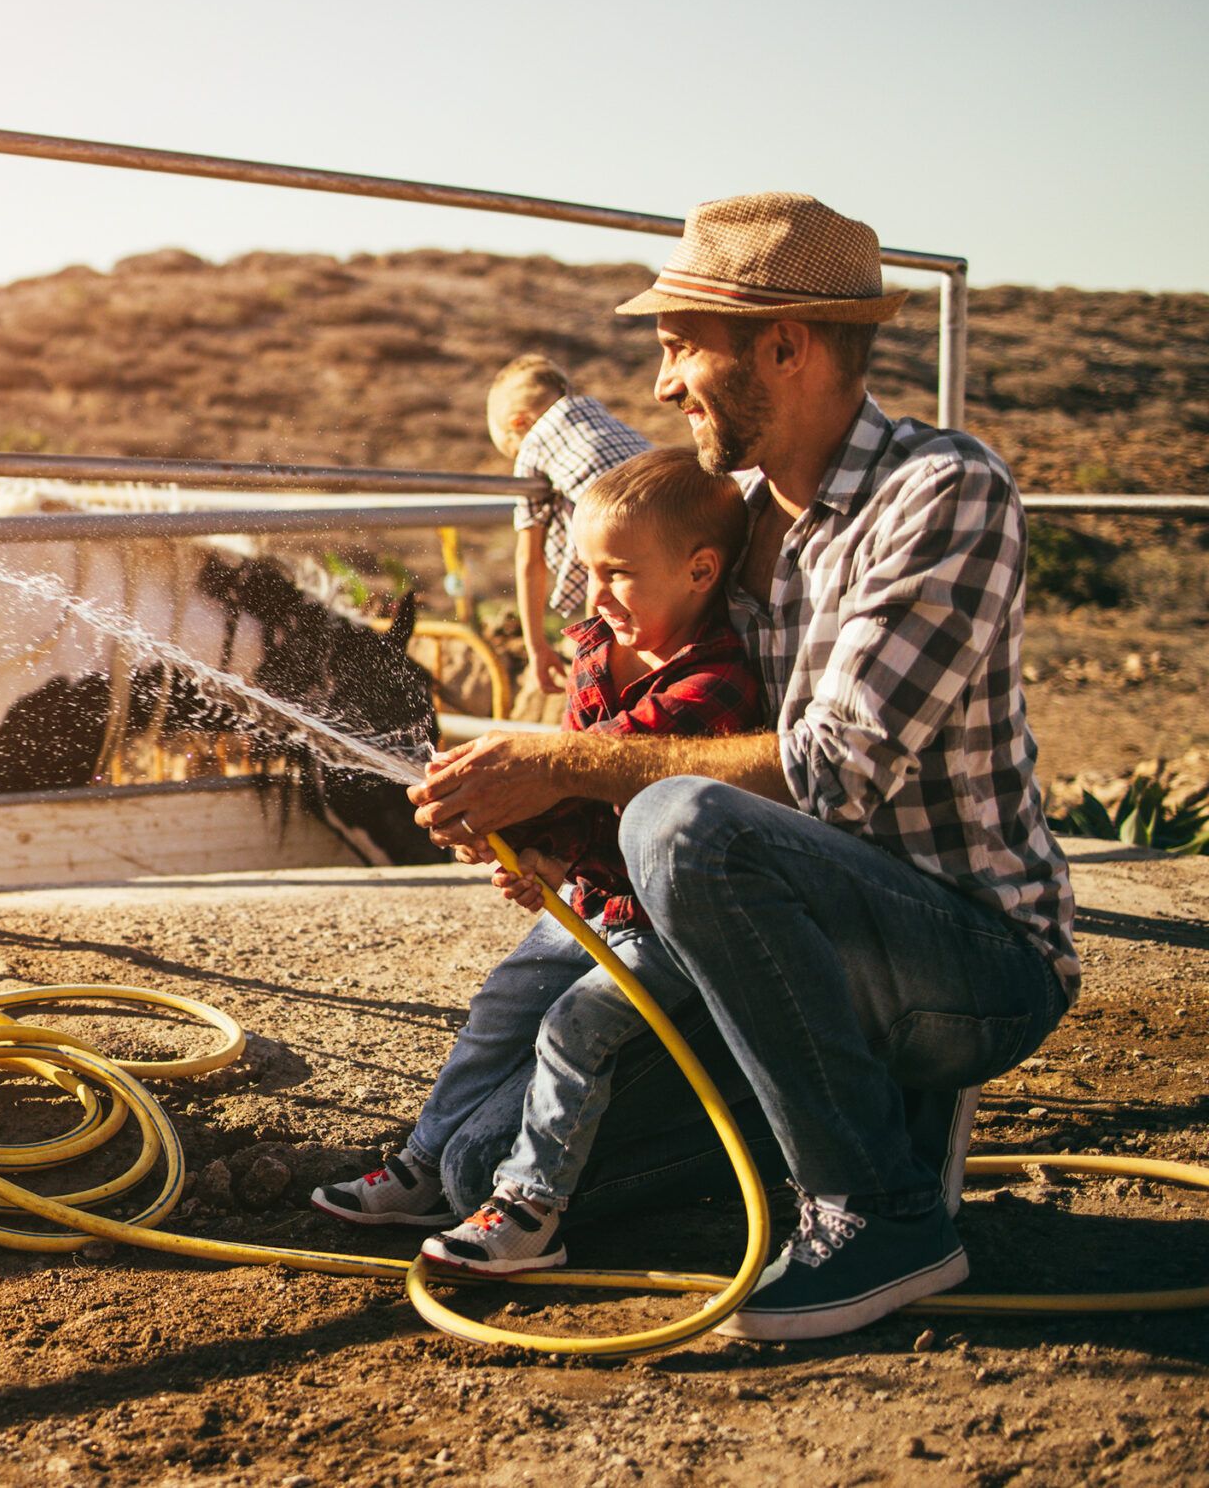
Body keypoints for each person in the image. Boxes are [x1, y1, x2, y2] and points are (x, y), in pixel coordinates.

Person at [408, 192, 1076, 1339]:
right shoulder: (735, 513)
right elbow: (618, 632)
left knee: (679, 822)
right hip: (773, 941)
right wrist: (537, 811)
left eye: (679, 349)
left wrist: (563, 757)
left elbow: (837, 772)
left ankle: (882, 1214)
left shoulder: (944, 495)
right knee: (480, 1169)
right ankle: (821, 1118)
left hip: (968, 958)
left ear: (785, 343)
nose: (663, 384)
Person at [311, 449, 761, 1274]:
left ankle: (531, 1207)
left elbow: (616, 771)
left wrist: (535, 802)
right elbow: (582, 793)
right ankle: (422, 1161)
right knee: (504, 999)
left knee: (576, 1025)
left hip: (672, 922)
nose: (594, 597)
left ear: (701, 571)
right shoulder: (598, 649)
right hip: (602, 901)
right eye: (588, 571)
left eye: (619, 573)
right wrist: (546, 856)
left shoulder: (716, 687)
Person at [486, 356, 650, 699]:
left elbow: (529, 561)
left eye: (509, 450)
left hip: (621, 537)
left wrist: (537, 647)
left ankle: (595, 691)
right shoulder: (600, 417)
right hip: (668, 524)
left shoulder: (535, 445)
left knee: (599, 646)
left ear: (519, 423)